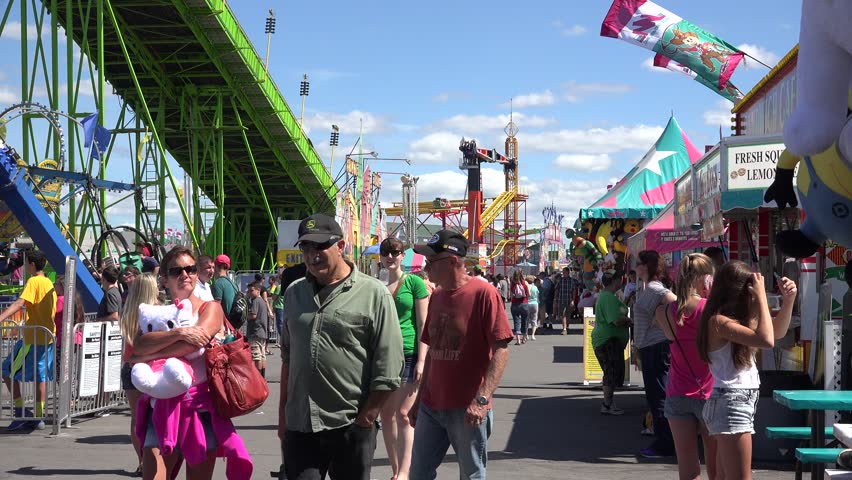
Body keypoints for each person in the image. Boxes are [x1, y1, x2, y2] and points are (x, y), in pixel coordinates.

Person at [278, 213, 404, 480]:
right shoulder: (294, 293)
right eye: (306, 248)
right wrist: (283, 419)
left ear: (341, 246)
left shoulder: (374, 294)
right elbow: (288, 358)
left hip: (349, 425)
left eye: (320, 246)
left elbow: (389, 365)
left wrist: (365, 420)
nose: (312, 255)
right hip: (301, 426)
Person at [130, 246, 252, 480]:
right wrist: (181, 334)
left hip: (200, 407)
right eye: (177, 270)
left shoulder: (211, 307)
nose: (185, 274)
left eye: (191, 269)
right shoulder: (157, 312)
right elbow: (139, 346)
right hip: (162, 408)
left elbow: (194, 345)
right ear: (164, 279)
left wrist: (149, 352)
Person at [409, 230, 513, 479]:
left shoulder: (483, 294)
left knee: (471, 474)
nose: (426, 266)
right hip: (431, 406)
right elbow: (433, 351)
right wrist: (418, 399)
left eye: (432, 261)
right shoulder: (436, 296)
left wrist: (482, 399)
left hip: (466, 408)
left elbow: (501, 350)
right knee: (418, 473)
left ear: (453, 261)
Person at [697, 261, 796, 480]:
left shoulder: (732, 321)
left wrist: (788, 301)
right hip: (731, 402)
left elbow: (776, 332)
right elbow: (767, 340)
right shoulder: (718, 322)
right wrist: (761, 297)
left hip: (732, 401)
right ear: (740, 292)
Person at [654, 253, 717, 480]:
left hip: (677, 391)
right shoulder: (710, 309)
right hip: (709, 392)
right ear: (706, 278)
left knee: (687, 466)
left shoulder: (666, 313)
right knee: (715, 465)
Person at [378, 237, 430, 480]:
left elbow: (423, 324)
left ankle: (405, 473)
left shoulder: (414, 283)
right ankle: (395, 470)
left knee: (404, 414)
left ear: (402, 256)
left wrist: (422, 360)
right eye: (386, 252)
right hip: (383, 355)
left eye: (395, 252)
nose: (391, 257)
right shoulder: (376, 287)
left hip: (409, 353)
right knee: (386, 415)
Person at [0, 250, 57, 430]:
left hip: (32, 339)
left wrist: (1, 317)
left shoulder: (34, 281)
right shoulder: (49, 282)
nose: (24, 266)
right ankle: (38, 416)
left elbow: (20, 303)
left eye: (26, 263)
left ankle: (20, 412)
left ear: (32, 264)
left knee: (7, 370)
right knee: (41, 377)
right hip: (47, 337)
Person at [634, 250, 676, 458]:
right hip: (651, 347)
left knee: (658, 395)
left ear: (647, 266)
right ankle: (665, 441)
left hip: (656, 347)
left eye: (638, 263)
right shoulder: (648, 288)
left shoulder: (654, 288)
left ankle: (665, 443)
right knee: (656, 395)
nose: (635, 267)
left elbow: (675, 303)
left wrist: (661, 321)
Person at [118, 273, 160, 477]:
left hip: (131, 366)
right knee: (153, 416)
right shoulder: (154, 312)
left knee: (137, 418)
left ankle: (142, 461)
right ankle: (152, 459)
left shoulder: (128, 311)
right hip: (150, 367)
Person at [592, 271, 631, 415]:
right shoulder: (608, 297)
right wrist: (628, 321)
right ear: (615, 280)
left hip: (609, 340)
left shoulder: (609, 297)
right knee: (610, 372)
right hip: (607, 341)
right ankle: (607, 404)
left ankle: (609, 403)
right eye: (620, 278)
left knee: (611, 372)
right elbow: (615, 320)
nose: (622, 280)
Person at [246, 281, 268, 376]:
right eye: (249, 291)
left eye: (252, 291)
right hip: (262, 332)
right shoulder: (262, 301)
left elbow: (253, 315)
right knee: (262, 355)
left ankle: (257, 376)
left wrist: (245, 316)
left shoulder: (255, 301)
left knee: (256, 356)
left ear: (258, 290)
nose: (250, 293)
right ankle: (262, 375)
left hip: (255, 332)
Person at [552, 267, 577, 335]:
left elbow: (574, 291)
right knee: (562, 315)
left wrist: (573, 300)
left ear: (568, 273)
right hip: (561, 299)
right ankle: (564, 329)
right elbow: (557, 290)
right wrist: (555, 299)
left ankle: (567, 327)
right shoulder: (560, 280)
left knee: (568, 315)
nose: (563, 273)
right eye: (563, 272)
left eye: (564, 272)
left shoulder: (572, 281)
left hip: (569, 299)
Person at [509, 270, 530, 345]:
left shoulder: (512, 284)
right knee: (525, 321)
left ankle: (518, 340)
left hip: (515, 304)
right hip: (524, 304)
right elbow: (529, 294)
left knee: (516, 321)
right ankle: (524, 338)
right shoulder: (525, 283)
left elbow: (510, 296)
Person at [268, 275, 285, 347]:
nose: (277, 280)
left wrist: (272, 295)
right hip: (282, 306)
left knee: (279, 325)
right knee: (280, 324)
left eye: (278, 278)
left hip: (278, 307)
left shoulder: (278, 287)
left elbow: (274, 297)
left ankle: (282, 341)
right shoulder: (284, 286)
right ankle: (281, 341)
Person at [526, 275, 540, 341]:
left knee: (526, 319)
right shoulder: (535, 287)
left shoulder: (526, 287)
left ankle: (526, 334)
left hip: (527, 303)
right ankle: (533, 335)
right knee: (534, 319)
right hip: (535, 304)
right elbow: (537, 296)